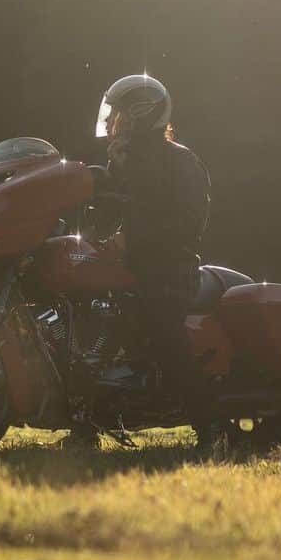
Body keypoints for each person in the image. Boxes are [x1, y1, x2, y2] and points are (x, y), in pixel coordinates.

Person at [94, 74, 213, 417]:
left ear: (140, 115)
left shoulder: (181, 161)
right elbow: (105, 215)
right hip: (129, 268)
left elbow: (188, 224)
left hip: (168, 270)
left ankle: (209, 424)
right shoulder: (122, 161)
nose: (112, 122)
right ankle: (86, 423)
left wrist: (133, 238)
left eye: (119, 114)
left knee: (163, 333)